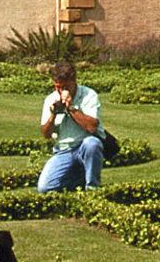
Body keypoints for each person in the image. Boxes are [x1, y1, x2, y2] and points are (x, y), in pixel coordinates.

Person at [35, 60, 107, 192]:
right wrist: (53, 115)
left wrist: (70, 108)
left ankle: (92, 187)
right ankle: (79, 177)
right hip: (64, 150)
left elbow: (92, 127)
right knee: (44, 188)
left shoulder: (89, 95)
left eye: (66, 87)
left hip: (84, 147)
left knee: (92, 144)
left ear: (74, 82)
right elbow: (46, 134)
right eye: (58, 87)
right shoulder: (51, 99)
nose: (61, 90)